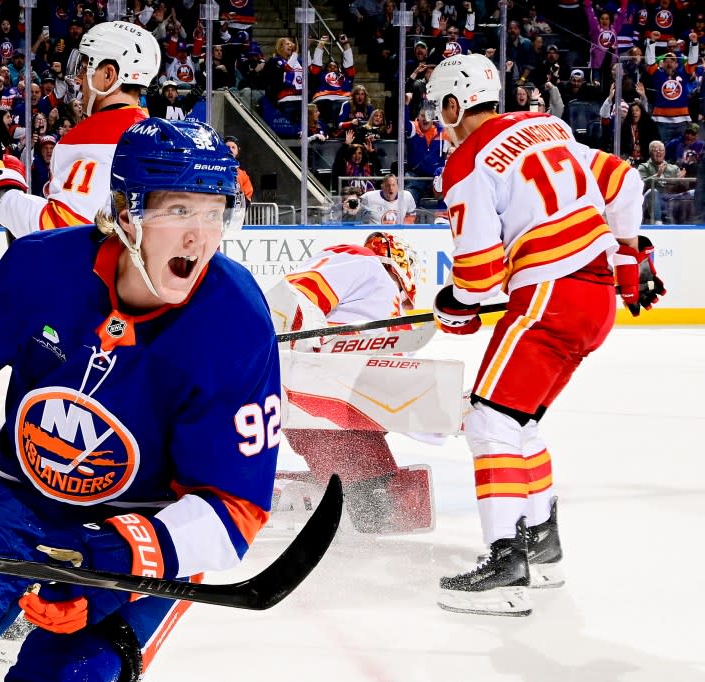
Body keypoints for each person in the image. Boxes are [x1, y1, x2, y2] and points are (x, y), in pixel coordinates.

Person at [0, 117, 277, 682]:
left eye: (215, 212)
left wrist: (130, 555)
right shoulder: (43, 267)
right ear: (126, 213)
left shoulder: (235, 321)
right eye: (178, 211)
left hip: (144, 521)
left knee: (70, 676)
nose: (200, 236)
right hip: (18, 499)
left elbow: (234, 503)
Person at [426, 53, 662, 616]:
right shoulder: (548, 126)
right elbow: (625, 181)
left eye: (442, 110)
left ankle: (506, 563)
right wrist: (630, 262)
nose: (442, 121)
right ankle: (542, 545)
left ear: (456, 104)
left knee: (486, 419)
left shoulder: (467, 161)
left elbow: (479, 278)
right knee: (519, 419)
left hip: (551, 297)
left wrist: (449, 306)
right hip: (594, 296)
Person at [266, 232, 431, 534]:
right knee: (371, 502)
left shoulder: (391, 307)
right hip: (319, 393)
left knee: (373, 503)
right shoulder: (364, 262)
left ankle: (346, 492)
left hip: (345, 405)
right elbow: (293, 298)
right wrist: (307, 347)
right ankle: (343, 494)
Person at [0, 21, 161, 240]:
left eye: (86, 66)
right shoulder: (151, 134)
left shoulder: (98, 140)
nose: (80, 78)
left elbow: (65, 230)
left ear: (108, 76)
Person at [224, 135, 254, 203]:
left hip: (235, 211)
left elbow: (248, 196)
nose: (230, 150)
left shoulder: (243, 175)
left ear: (237, 151)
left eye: (233, 147)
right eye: (227, 147)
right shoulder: (214, 169)